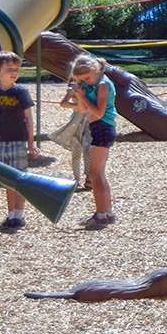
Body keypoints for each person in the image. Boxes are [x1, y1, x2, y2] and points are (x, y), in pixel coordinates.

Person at [0, 52, 38, 229]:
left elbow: (28, 119)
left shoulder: (20, 92)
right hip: (1, 142)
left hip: (18, 140)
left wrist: (31, 143)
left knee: (19, 178)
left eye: (16, 69)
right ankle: (11, 214)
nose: (14, 72)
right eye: (9, 69)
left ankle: (19, 215)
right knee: (8, 180)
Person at [69, 55, 117, 227]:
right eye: (82, 80)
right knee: (99, 174)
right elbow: (83, 110)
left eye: (87, 78)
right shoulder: (91, 85)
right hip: (97, 128)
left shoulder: (103, 85)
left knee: (95, 174)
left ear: (96, 70)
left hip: (104, 128)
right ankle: (107, 212)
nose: (86, 82)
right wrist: (79, 96)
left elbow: (98, 112)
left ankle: (101, 214)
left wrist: (83, 96)